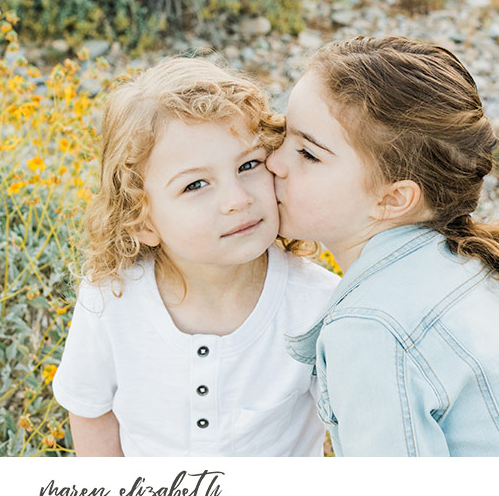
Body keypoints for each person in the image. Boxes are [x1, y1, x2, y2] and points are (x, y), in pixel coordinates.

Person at [266, 35, 499, 456]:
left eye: (308, 154)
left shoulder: (370, 328)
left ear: (393, 199)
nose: (273, 162)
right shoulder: (470, 264)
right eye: (283, 133)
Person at [51, 57, 340, 456]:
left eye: (249, 164)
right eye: (196, 185)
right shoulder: (110, 299)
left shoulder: (319, 304)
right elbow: (91, 411)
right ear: (142, 219)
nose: (238, 200)